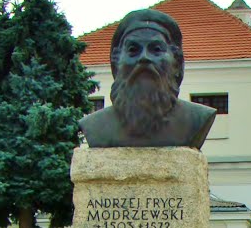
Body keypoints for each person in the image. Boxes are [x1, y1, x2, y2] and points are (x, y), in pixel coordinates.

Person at [79, 9, 216, 149]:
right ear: (116, 62)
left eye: (156, 49)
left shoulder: (196, 120)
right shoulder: (95, 127)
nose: (144, 58)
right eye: (133, 50)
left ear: (176, 63)